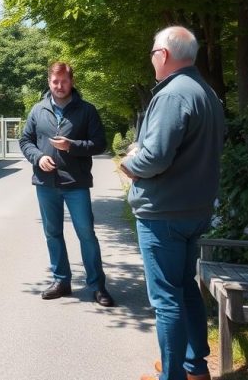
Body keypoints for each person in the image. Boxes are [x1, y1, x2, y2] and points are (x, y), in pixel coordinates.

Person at [120, 27, 224, 380]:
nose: (152, 60)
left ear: (163, 54)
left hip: (164, 213)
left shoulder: (172, 95)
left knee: (166, 300)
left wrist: (129, 162)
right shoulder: (205, 92)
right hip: (195, 210)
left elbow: (156, 157)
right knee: (185, 289)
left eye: (153, 53)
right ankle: (194, 367)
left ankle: (174, 375)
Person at [20, 62, 115, 308]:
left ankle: (97, 285)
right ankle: (61, 280)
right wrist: (38, 157)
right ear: (49, 82)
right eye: (55, 81)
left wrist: (72, 145)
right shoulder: (38, 110)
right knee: (53, 234)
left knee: (86, 235)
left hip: (76, 183)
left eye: (63, 81)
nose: (59, 86)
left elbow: (100, 144)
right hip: (46, 183)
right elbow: (26, 140)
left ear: (71, 81)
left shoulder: (86, 110)